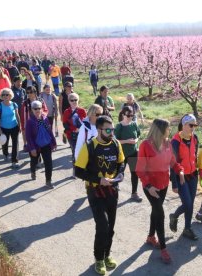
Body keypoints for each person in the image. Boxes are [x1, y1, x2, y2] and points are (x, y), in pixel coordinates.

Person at [74, 115, 125, 275]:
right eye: (108, 130)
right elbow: (78, 171)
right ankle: (99, 258)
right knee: (102, 226)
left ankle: (107, 254)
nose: (111, 132)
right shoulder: (89, 146)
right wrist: (98, 179)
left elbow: (121, 162)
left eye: (113, 129)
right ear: (99, 129)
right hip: (95, 191)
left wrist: (121, 174)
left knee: (111, 227)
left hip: (112, 191)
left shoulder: (116, 144)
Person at [136, 118, 185, 264]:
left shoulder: (168, 143)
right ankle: (163, 248)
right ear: (161, 130)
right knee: (160, 213)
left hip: (163, 185)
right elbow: (139, 168)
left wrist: (180, 171)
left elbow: (173, 163)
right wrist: (148, 186)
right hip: (151, 187)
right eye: (168, 128)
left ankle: (151, 237)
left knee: (156, 211)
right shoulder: (146, 145)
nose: (170, 130)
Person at [169, 114, 200, 240]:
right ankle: (174, 216)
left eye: (195, 125)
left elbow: (194, 155)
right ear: (183, 125)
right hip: (180, 176)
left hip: (193, 175)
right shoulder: (176, 141)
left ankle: (187, 228)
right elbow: (172, 163)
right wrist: (174, 183)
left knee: (191, 203)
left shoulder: (195, 138)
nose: (193, 128)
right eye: (191, 125)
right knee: (187, 203)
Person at [25, 100, 57, 188]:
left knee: (48, 163)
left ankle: (48, 181)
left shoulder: (45, 118)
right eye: (35, 108)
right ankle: (33, 171)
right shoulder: (30, 121)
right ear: (32, 109)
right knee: (34, 161)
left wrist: (54, 142)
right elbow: (28, 136)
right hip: (35, 146)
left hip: (46, 144)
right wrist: (32, 148)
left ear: (42, 108)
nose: (37, 110)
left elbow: (49, 131)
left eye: (39, 108)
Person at [115, 106, 142, 202]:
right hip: (121, 154)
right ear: (123, 115)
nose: (130, 117)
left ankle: (134, 194)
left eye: (132, 115)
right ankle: (113, 191)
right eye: (128, 115)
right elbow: (115, 141)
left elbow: (139, 135)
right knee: (119, 173)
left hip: (133, 153)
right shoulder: (119, 126)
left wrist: (135, 140)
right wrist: (127, 141)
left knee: (135, 173)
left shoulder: (134, 124)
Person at [0, 88, 21, 168]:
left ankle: (14, 160)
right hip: (4, 128)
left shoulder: (14, 104)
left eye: (7, 94)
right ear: (1, 96)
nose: (5, 96)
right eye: (3, 95)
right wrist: (0, 130)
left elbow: (17, 115)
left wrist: (19, 126)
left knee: (15, 144)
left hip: (14, 127)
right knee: (5, 144)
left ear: (10, 96)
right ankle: (5, 154)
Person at [62, 93, 87, 176]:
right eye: (72, 100)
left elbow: (86, 123)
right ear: (69, 101)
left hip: (81, 135)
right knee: (74, 151)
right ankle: (75, 170)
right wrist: (73, 129)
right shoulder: (66, 111)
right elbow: (65, 124)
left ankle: (82, 168)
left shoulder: (82, 111)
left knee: (81, 151)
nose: (74, 102)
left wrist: (80, 129)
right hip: (70, 135)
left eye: (75, 100)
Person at [20, 86, 48, 151]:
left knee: (39, 138)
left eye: (31, 92)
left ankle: (39, 152)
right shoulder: (25, 102)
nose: (29, 94)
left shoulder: (40, 100)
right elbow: (22, 115)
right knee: (31, 139)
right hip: (29, 124)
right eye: (27, 92)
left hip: (39, 123)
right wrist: (23, 126)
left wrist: (41, 116)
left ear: (35, 92)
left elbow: (46, 110)